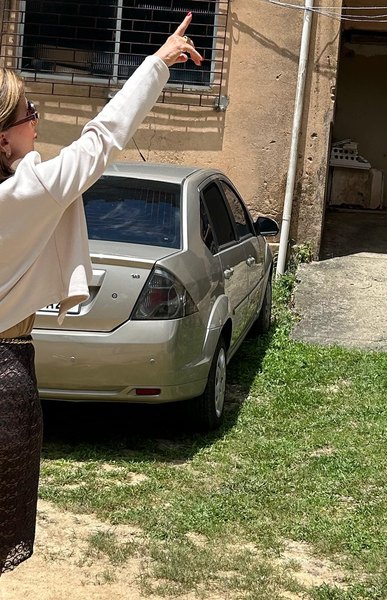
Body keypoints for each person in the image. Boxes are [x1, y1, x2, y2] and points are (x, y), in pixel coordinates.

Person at [0, 14, 202, 575]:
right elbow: (105, 135)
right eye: (28, 112)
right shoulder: (31, 191)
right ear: (2, 136)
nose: (37, 120)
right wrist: (157, 62)